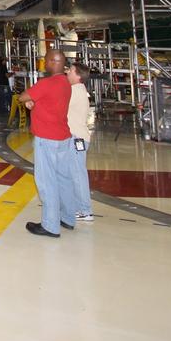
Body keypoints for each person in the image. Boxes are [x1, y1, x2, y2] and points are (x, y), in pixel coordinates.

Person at [17, 49, 77, 238]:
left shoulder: (46, 83)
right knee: (63, 178)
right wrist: (34, 104)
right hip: (63, 137)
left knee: (46, 181)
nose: (44, 63)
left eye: (46, 60)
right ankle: (68, 217)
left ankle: (50, 225)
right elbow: (49, 102)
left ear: (53, 61)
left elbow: (22, 96)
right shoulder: (65, 83)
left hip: (47, 139)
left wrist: (30, 100)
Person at [67, 63, 94, 223]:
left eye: (70, 70)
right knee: (74, 174)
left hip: (76, 137)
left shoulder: (74, 91)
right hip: (77, 137)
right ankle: (79, 207)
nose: (67, 72)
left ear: (78, 75)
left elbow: (57, 106)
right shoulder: (79, 90)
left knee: (78, 175)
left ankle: (85, 210)